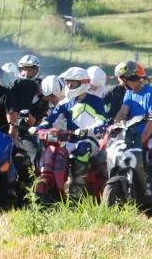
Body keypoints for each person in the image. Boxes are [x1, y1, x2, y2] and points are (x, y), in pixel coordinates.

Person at [32, 67, 106, 200]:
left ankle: (75, 192)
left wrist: (88, 131)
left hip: (90, 140)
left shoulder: (97, 101)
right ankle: (51, 185)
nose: (70, 85)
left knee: (83, 148)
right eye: (68, 82)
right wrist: (38, 128)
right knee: (51, 149)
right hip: (68, 140)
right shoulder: (64, 103)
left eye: (73, 83)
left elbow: (102, 123)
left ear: (84, 82)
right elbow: (51, 120)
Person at [114, 60, 152, 205]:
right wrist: (114, 126)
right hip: (134, 136)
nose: (120, 82)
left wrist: (142, 140)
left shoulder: (151, 93)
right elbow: (123, 112)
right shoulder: (129, 93)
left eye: (121, 78)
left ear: (128, 78)